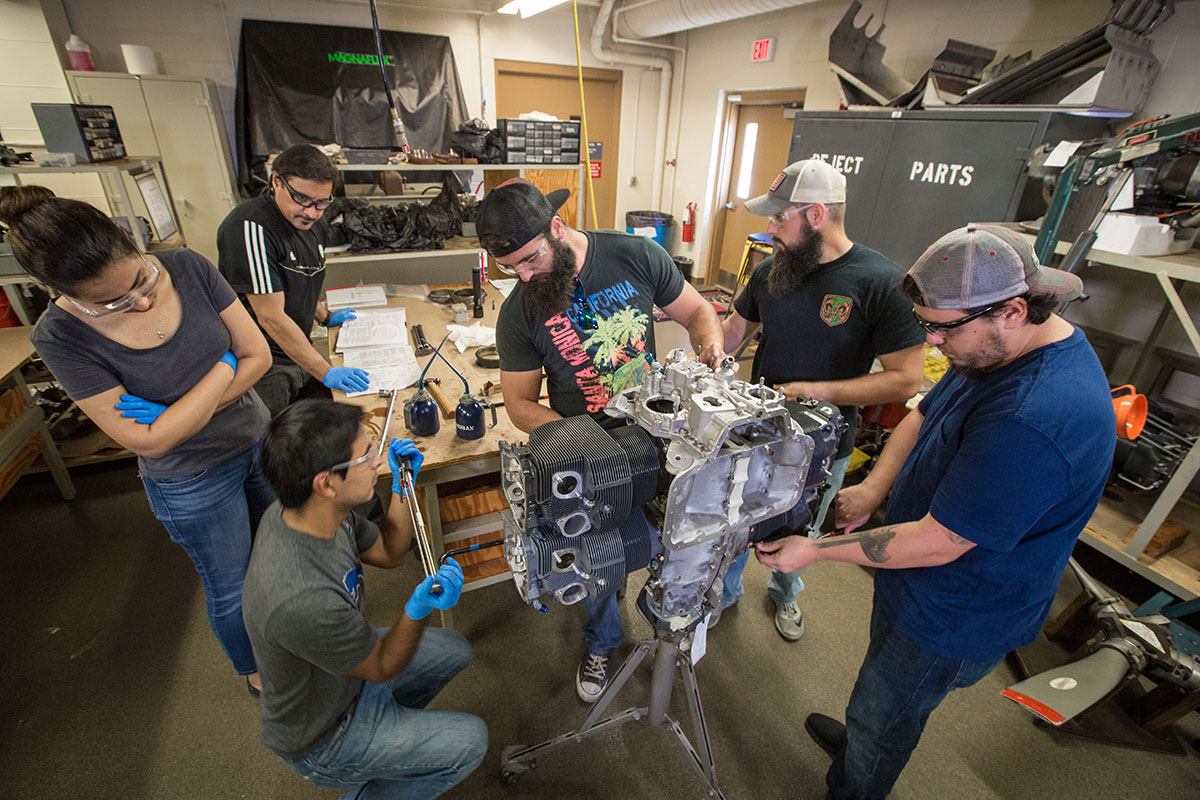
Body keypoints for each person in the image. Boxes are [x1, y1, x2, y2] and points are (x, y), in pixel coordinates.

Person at [755, 224, 1116, 800]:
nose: (931, 345)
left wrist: (815, 550)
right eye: (926, 326)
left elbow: (942, 541)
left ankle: (855, 783)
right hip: (918, 575)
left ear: (1013, 309)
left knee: (887, 716)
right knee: (877, 689)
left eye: (940, 330)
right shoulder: (993, 349)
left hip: (956, 607)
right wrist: (874, 488)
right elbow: (924, 413)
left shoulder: (1036, 415)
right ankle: (858, 749)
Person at [1, 185, 276, 695]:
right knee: (232, 587)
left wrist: (175, 415)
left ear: (130, 240)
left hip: (256, 441)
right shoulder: (59, 336)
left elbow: (258, 358)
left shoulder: (189, 267)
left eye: (140, 279)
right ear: (57, 292)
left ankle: (288, 643)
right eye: (111, 303)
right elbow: (147, 442)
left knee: (280, 555)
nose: (142, 300)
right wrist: (222, 369)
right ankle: (260, 679)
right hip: (192, 479)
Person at [478, 179, 726, 702]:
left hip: (662, 434)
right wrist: (581, 441)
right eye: (510, 269)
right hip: (590, 456)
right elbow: (520, 404)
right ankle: (602, 641)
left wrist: (710, 352)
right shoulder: (519, 312)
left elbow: (699, 313)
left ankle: (679, 624)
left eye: (530, 259)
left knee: (678, 534)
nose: (523, 276)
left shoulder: (635, 255)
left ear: (558, 229)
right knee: (596, 560)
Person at [715, 159, 925, 641]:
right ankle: (726, 592)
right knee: (732, 520)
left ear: (814, 214)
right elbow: (732, 331)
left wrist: (815, 390)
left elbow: (905, 381)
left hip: (823, 447)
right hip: (756, 431)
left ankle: (784, 593)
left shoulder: (881, 284)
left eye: (777, 218)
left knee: (796, 531)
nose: (768, 229)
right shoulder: (773, 270)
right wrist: (706, 350)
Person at [242, 399, 486, 798]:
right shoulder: (302, 597)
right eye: (366, 455)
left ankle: (392, 742)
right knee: (471, 741)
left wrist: (404, 485)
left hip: (344, 678)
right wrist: (417, 609)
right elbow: (384, 665)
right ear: (326, 482)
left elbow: (390, 551)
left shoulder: (310, 514)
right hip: (325, 734)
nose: (376, 461)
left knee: (454, 649)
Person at [217, 144, 368, 416]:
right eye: (302, 199)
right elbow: (270, 318)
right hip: (265, 363)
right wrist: (324, 370)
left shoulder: (311, 222)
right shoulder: (249, 229)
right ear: (277, 181)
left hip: (298, 346)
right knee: (273, 437)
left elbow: (304, 275)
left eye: (321, 203)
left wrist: (324, 316)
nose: (311, 211)